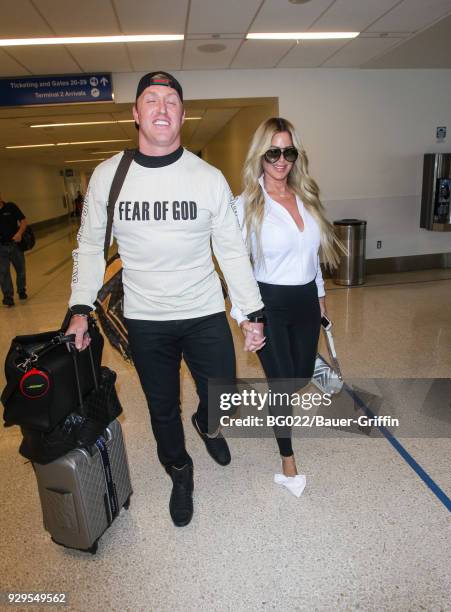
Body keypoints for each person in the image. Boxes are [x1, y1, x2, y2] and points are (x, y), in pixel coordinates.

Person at [66, 71, 265, 527]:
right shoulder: (109, 176)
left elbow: (231, 250)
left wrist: (250, 312)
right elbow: (90, 246)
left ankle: (207, 423)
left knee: (223, 395)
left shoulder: (207, 178)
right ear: (135, 113)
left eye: (171, 100)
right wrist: (79, 308)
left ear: (182, 114)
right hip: (145, 317)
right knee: (161, 408)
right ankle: (179, 470)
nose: (161, 107)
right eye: (151, 99)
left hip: (204, 311)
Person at [231, 117, 344, 492]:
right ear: (260, 156)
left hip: (305, 303)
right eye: (273, 152)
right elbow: (235, 266)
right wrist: (246, 318)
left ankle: (306, 365)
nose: (281, 160)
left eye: (288, 152)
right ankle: (288, 460)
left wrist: (321, 296)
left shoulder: (306, 198)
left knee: (297, 377)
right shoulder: (245, 204)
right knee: (281, 385)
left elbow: (311, 258)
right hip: (268, 303)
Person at [0, 193, 28, 307]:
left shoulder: (11, 207)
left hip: (15, 245)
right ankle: (8, 296)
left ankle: (21, 290)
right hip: (1, 247)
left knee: (20, 269)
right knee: (3, 272)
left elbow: (23, 221)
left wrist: (20, 233)